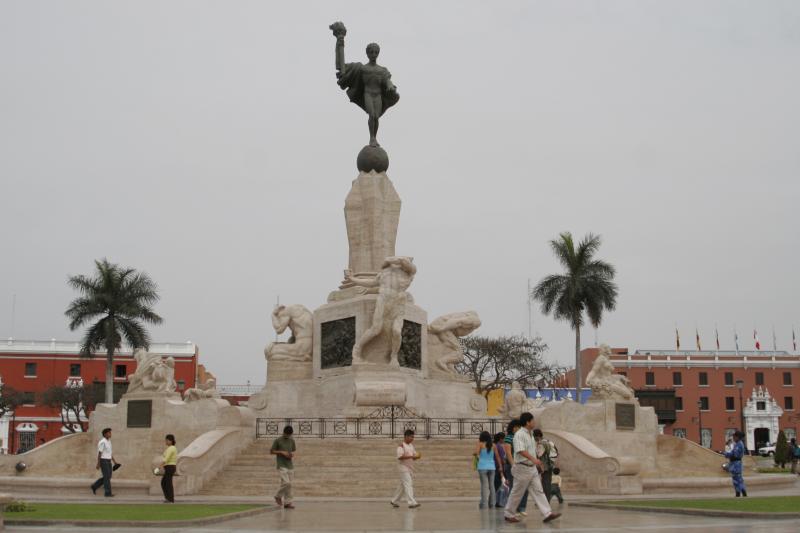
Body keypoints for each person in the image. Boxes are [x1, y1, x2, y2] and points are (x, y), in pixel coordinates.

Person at [503, 412, 561, 524]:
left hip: (532, 468)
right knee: (517, 492)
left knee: (539, 490)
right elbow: (520, 450)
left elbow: (532, 450)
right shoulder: (519, 434)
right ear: (527, 422)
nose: (534, 422)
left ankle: (547, 513)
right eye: (533, 420)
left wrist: (538, 462)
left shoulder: (531, 434)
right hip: (522, 467)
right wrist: (533, 459)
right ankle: (508, 513)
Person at [503, 420, 529, 516]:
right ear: (513, 427)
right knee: (514, 487)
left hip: (523, 465)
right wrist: (513, 465)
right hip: (512, 465)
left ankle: (522, 508)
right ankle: (513, 509)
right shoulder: (509, 438)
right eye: (517, 427)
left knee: (524, 487)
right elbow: (508, 453)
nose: (518, 429)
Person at [473, 431, 505, 508]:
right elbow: (497, 457)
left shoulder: (480, 444)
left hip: (482, 466)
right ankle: (492, 503)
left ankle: (484, 503)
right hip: (492, 467)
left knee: (484, 486)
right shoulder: (493, 445)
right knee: (492, 486)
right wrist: (500, 466)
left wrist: (477, 456)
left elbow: (476, 453)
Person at [391, 429, 421, 509]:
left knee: (402, 486)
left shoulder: (411, 446)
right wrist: (411, 456)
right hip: (403, 468)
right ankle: (412, 502)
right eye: (411, 437)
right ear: (406, 437)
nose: (412, 439)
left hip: (410, 468)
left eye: (413, 437)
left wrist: (417, 457)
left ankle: (394, 501)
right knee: (408, 484)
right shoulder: (401, 446)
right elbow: (400, 457)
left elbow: (414, 457)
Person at [270, 425, 297, 509]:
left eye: (289, 435)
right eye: (286, 434)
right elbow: (271, 451)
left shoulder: (292, 440)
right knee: (286, 483)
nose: (288, 436)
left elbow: (292, 451)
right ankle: (277, 496)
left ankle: (287, 503)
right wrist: (281, 452)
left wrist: (290, 455)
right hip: (281, 464)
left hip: (289, 464)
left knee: (290, 485)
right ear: (283, 432)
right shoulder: (278, 440)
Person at [90, 428, 117, 497]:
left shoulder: (109, 441)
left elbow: (110, 453)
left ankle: (94, 486)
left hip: (108, 461)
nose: (110, 434)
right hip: (103, 460)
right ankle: (107, 493)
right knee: (107, 477)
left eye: (110, 433)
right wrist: (98, 463)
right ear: (105, 434)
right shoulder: (102, 442)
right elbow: (100, 453)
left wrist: (114, 461)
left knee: (108, 476)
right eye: (109, 433)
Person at [533, 429, 557, 501]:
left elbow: (539, 454)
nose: (534, 439)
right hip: (550, 465)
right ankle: (546, 500)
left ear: (537, 436)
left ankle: (546, 501)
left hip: (544, 466)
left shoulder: (541, 443)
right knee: (547, 483)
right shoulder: (548, 441)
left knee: (545, 483)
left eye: (534, 437)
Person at [723, 430, 747, 497]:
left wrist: (726, 454)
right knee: (738, 479)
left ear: (737, 437)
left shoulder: (739, 445)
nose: (733, 438)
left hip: (736, 463)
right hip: (736, 463)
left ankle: (739, 493)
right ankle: (741, 493)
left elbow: (734, 455)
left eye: (734, 437)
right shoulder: (738, 444)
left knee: (737, 479)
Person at [160, 434, 177, 503]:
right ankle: (169, 498)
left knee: (167, 483)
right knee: (164, 482)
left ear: (171, 441)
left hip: (170, 467)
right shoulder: (170, 448)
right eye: (166, 440)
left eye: (167, 440)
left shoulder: (171, 448)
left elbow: (166, 459)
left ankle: (170, 499)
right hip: (169, 467)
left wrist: (160, 466)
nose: (166, 442)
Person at [493, 432, 508, 507]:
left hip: (494, 467)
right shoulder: (499, 447)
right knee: (500, 486)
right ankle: (499, 501)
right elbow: (502, 458)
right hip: (499, 467)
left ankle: (496, 501)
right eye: (503, 438)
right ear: (500, 439)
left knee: (496, 485)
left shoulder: (494, 445)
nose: (504, 440)